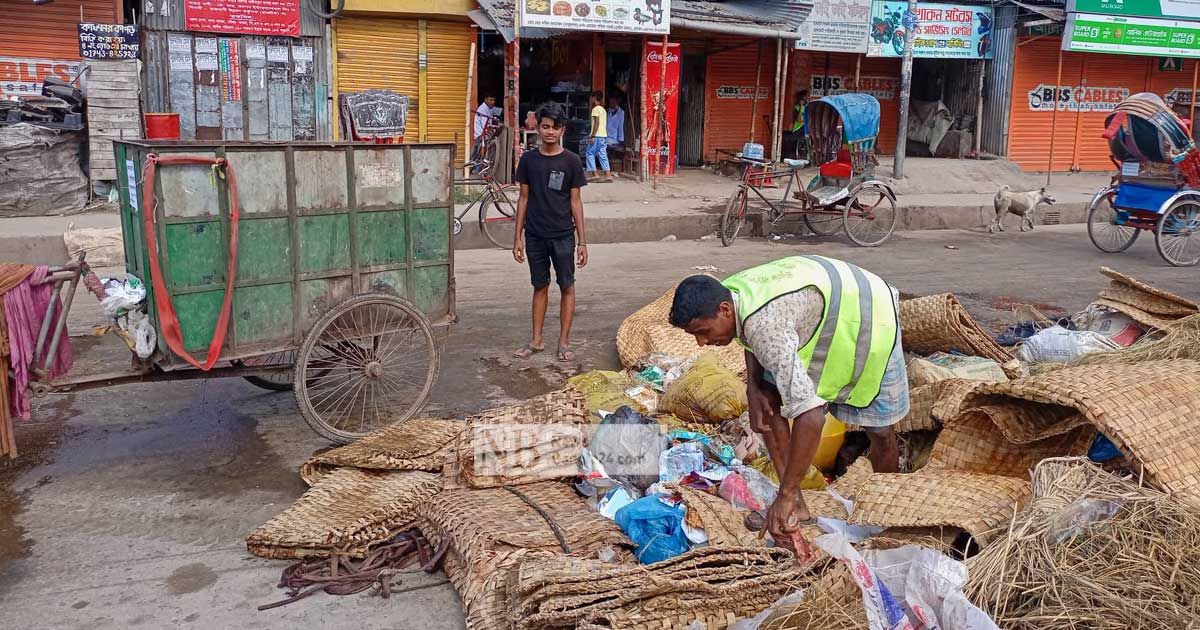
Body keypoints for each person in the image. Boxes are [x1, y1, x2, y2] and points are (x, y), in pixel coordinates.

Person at [668, 256, 907, 550]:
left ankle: (888, 517)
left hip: (869, 311)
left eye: (703, 332)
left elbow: (812, 417)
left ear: (724, 310)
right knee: (767, 406)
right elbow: (750, 336)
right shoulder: (732, 293)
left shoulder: (765, 327)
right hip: (817, 319)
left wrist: (783, 493)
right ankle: (796, 508)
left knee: (880, 430)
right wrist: (754, 389)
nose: (701, 344)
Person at [511, 103, 589, 362]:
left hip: (564, 235)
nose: (550, 132)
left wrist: (582, 241)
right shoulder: (528, 160)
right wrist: (517, 237)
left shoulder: (572, 161)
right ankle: (537, 340)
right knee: (539, 286)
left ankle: (564, 342)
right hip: (535, 235)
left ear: (562, 130)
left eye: (555, 128)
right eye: (545, 127)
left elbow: (575, 202)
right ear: (538, 127)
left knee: (567, 286)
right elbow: (523, 199)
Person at [584, 91, 614, 183]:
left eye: (591, 98)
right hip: (603, 135)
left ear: (594, 98)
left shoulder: (595, 109)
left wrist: (592, 135)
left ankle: (594, 174)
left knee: (589, 153)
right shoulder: (603, 109)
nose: (590, 100)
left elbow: (596, 123)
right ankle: (608, 175)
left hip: (596, 135)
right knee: (602, 154)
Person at [786, 89, 809, 160]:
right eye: (807, 96)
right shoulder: (798, 107)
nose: (808, 98)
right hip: (798, 129)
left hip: (805, 128)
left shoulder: (807, 107)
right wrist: (801, 106)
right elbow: (799, 119)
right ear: (803, 98)